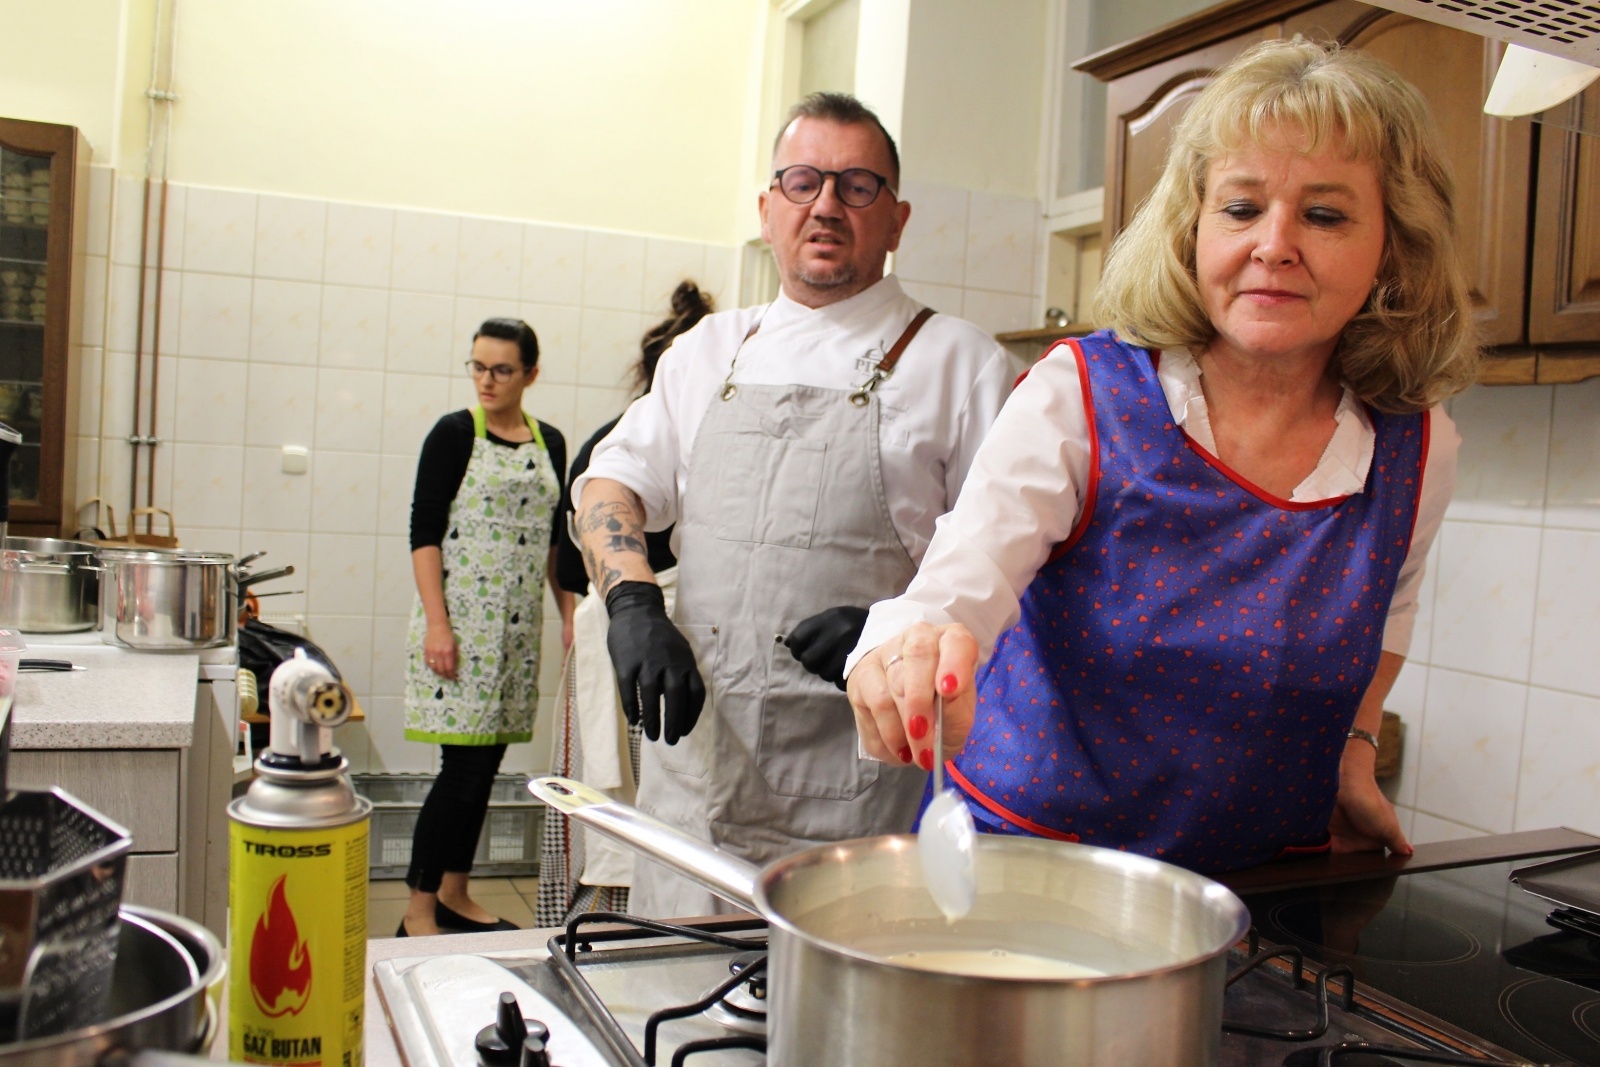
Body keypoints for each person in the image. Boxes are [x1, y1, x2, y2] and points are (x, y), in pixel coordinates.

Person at [845, 38, 1477, 876]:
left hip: (1256, 894)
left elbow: (1387, 611)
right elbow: (956, 587)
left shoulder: (1418, 446)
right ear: (1192, 227)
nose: (1275, 244)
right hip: (1026, 874)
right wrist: (906, 653)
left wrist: (1355, 753)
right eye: (1242, 208)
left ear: (1394, 246)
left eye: (1324, 215)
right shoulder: (1084, 395)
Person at [572, 91, 1016, 918]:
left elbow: (1015, 571)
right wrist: (632, 602)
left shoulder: (960, 364)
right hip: (695, 792)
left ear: (897, 218)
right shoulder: (707, 352)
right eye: (804, 180)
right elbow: (611, 482)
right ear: (768, 209)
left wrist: (903, 625)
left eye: (858, 186)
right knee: (681, 1027)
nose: (826, 205)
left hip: (861, 810)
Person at [535, 280, 714, 927]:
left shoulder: (606, 436)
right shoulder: (644, 446)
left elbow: (564, 564)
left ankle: (587, 930)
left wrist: (578, 623)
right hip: (666, 651)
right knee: (654, 810)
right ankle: (628, 930)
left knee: (609, 803)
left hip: (625, 643)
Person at [398, 317, 575, 936]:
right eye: (477, 366)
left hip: (516, 634)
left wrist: (569, 614)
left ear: (530, 372)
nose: (487, 380)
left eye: (501, 369)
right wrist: (437, 626)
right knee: (461, 772)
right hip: (462, 629)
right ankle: (419, 910)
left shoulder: (549, 441)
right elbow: (424, 534)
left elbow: (557, 543)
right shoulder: (452, 434)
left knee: (485, 768)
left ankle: (456, 893)